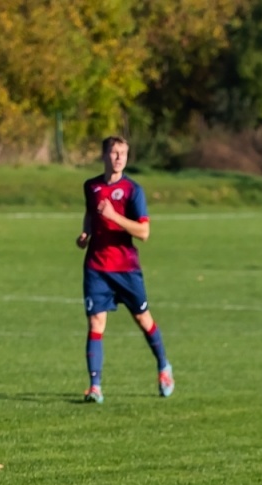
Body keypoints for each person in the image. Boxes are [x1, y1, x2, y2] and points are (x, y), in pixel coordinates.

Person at [76, 136, 172, 403]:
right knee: (96, 323)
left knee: (143, 320)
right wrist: (85, 234)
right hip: (96, 267)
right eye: (114, 152)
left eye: (123, 153)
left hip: (126, 269)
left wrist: (114, 217)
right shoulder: (91, 186)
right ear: (104, 155)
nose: (119, 158)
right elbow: (90, 214)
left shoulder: (133, 190)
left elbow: (144, 232)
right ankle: (95, 387)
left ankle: (164, 366)